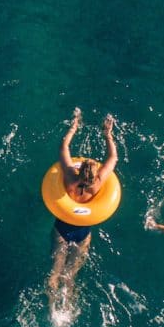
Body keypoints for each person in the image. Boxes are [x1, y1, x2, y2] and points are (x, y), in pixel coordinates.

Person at [47, 108, 118, 301]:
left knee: (54, 273)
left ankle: (52, 307)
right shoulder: (97, 184)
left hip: (61, 230)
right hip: (82, 234)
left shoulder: (70, 177)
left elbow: (64, 147)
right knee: (70, 276)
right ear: (94, 174)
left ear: (80, 170)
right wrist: (108, 135)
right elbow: (113, 158)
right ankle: (68, 308)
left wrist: (74, 126)